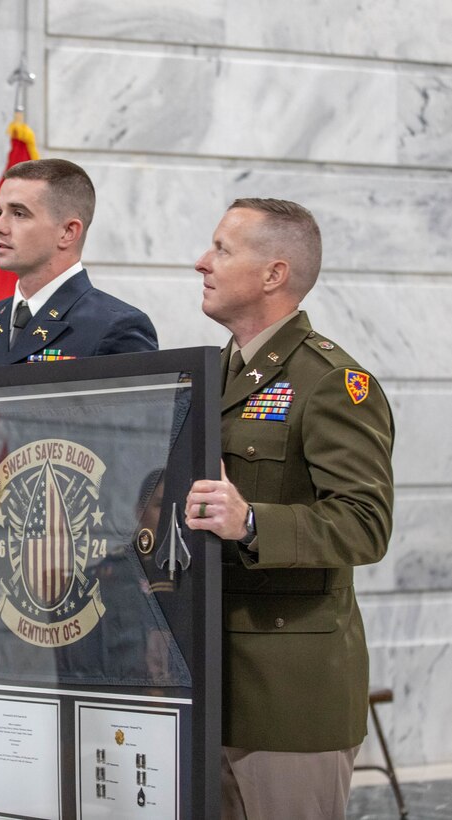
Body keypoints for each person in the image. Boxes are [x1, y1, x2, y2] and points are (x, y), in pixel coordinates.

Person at [184, 199, 394, 820]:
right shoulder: (209, 375)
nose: (202, 262)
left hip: (288, 699)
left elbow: (366, 522)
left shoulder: (331, 381)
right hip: (206, 686)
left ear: (274, 274)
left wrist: (251, 522)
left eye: (222, 249)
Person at [0, 158, 158, 456]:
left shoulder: (116, 326)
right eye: (0, 212)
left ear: (68, 232)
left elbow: (138, 457)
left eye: (19, 214)